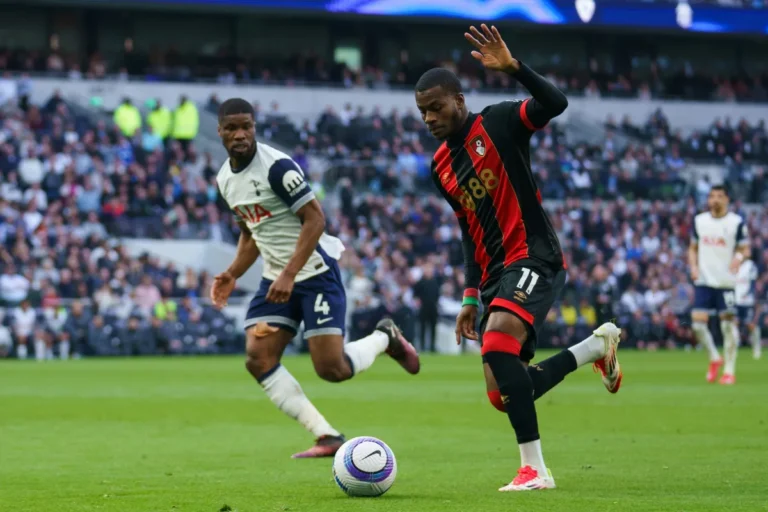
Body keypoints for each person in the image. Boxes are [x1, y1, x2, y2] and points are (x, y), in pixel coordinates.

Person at [416, 24, 623, 492]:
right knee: (504, 394)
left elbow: (555, 105)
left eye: (436, 106)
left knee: (496, 347)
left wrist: (515, 69)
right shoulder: (440, 168)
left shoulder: (499, 121)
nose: (429, 117)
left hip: (534, 256)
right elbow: (468, 230)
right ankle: (595, 347)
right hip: (494, 277)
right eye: (422, 111)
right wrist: (471, 295)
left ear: (459, 101)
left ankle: (535, 470)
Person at [211, 98, 420, 459]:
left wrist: (290, 274)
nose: (240, 134)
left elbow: (316, 219)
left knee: (332, 370)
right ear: (220, 131)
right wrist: (232, 272)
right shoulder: (225, 180)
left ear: (255, 126)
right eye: (232, 128)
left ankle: (385, 337)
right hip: (277, 279)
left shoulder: (278, 168)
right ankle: (327, 436)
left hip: (315, 274)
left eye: (246, 126)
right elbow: (251, 232)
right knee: (257, 357)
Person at [689, 185, 750, 384]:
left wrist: (738, 258)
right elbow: (692, 247)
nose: (715, 200)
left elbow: (745, 248)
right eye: (712, 196)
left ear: (727, 200)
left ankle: (729, 370)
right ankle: (715, 358)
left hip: (726, 281)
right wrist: (693, 266)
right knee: (697, 324)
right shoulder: (700, 221)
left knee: (727, 325)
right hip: (704, 279)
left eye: (719, 196)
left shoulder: (736, 222)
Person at [735, 257, 761, 360]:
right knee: (733, 324)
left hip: (747, 301)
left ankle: (756, 348)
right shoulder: (733, 262)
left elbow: (753, 283)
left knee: (751, 325)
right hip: (735, 300)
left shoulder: (750, 265)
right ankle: (734, 348)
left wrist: (749, 293)